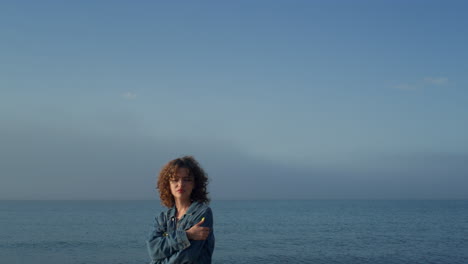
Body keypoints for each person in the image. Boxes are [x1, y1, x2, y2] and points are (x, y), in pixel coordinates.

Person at [146, 156, 215, 264]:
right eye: (175, 180)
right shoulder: (162, 219)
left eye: (187, 180)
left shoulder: (202, 213)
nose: (181, 184)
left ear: (194, 184)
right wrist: (187, 235)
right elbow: (154, 251)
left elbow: (187, 258)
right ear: (168, 184)